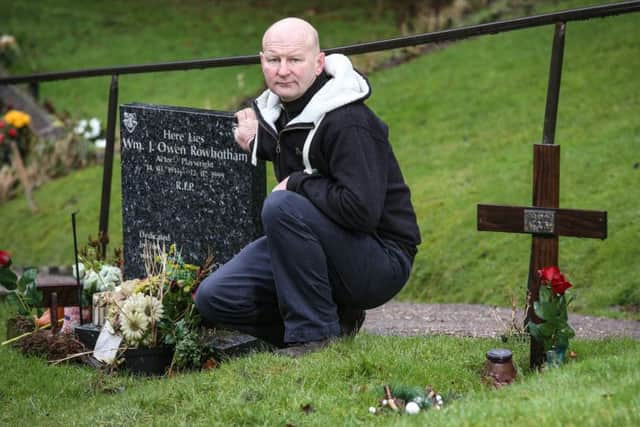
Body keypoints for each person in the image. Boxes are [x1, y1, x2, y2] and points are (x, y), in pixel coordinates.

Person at [195, 17, 421, 356]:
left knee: (281, 206)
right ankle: (334, 323)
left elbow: (361, 211)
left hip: (380, 257)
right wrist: (262, 143)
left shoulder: (349, 121)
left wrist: (297, 183)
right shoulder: (280, 112)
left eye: (294, 60)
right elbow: (304, 151)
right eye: (274, 60)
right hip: (320, 244)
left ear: (318, 63)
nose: (283, 70)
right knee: (215, 298)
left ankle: (314, 338)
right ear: (262, 62)